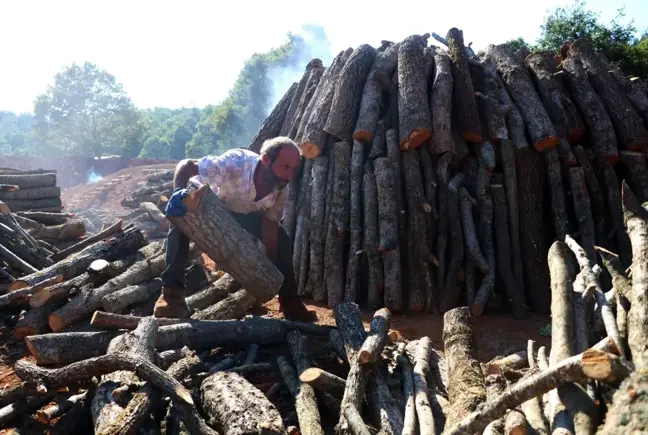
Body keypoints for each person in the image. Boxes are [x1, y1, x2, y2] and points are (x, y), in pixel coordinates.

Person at [153, 136, 316, 322]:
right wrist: (178, 193)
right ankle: (171, 295)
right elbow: (186, 165)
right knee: (180, 223)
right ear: (266, 160)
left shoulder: (280, 189)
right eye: (284, 167)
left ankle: (290, 303)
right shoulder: (237, 162)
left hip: (243, 210)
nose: (288, 176)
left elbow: (269, 225)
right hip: (210, 199)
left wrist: (274, 262)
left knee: (283, 240)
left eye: (293, 170)